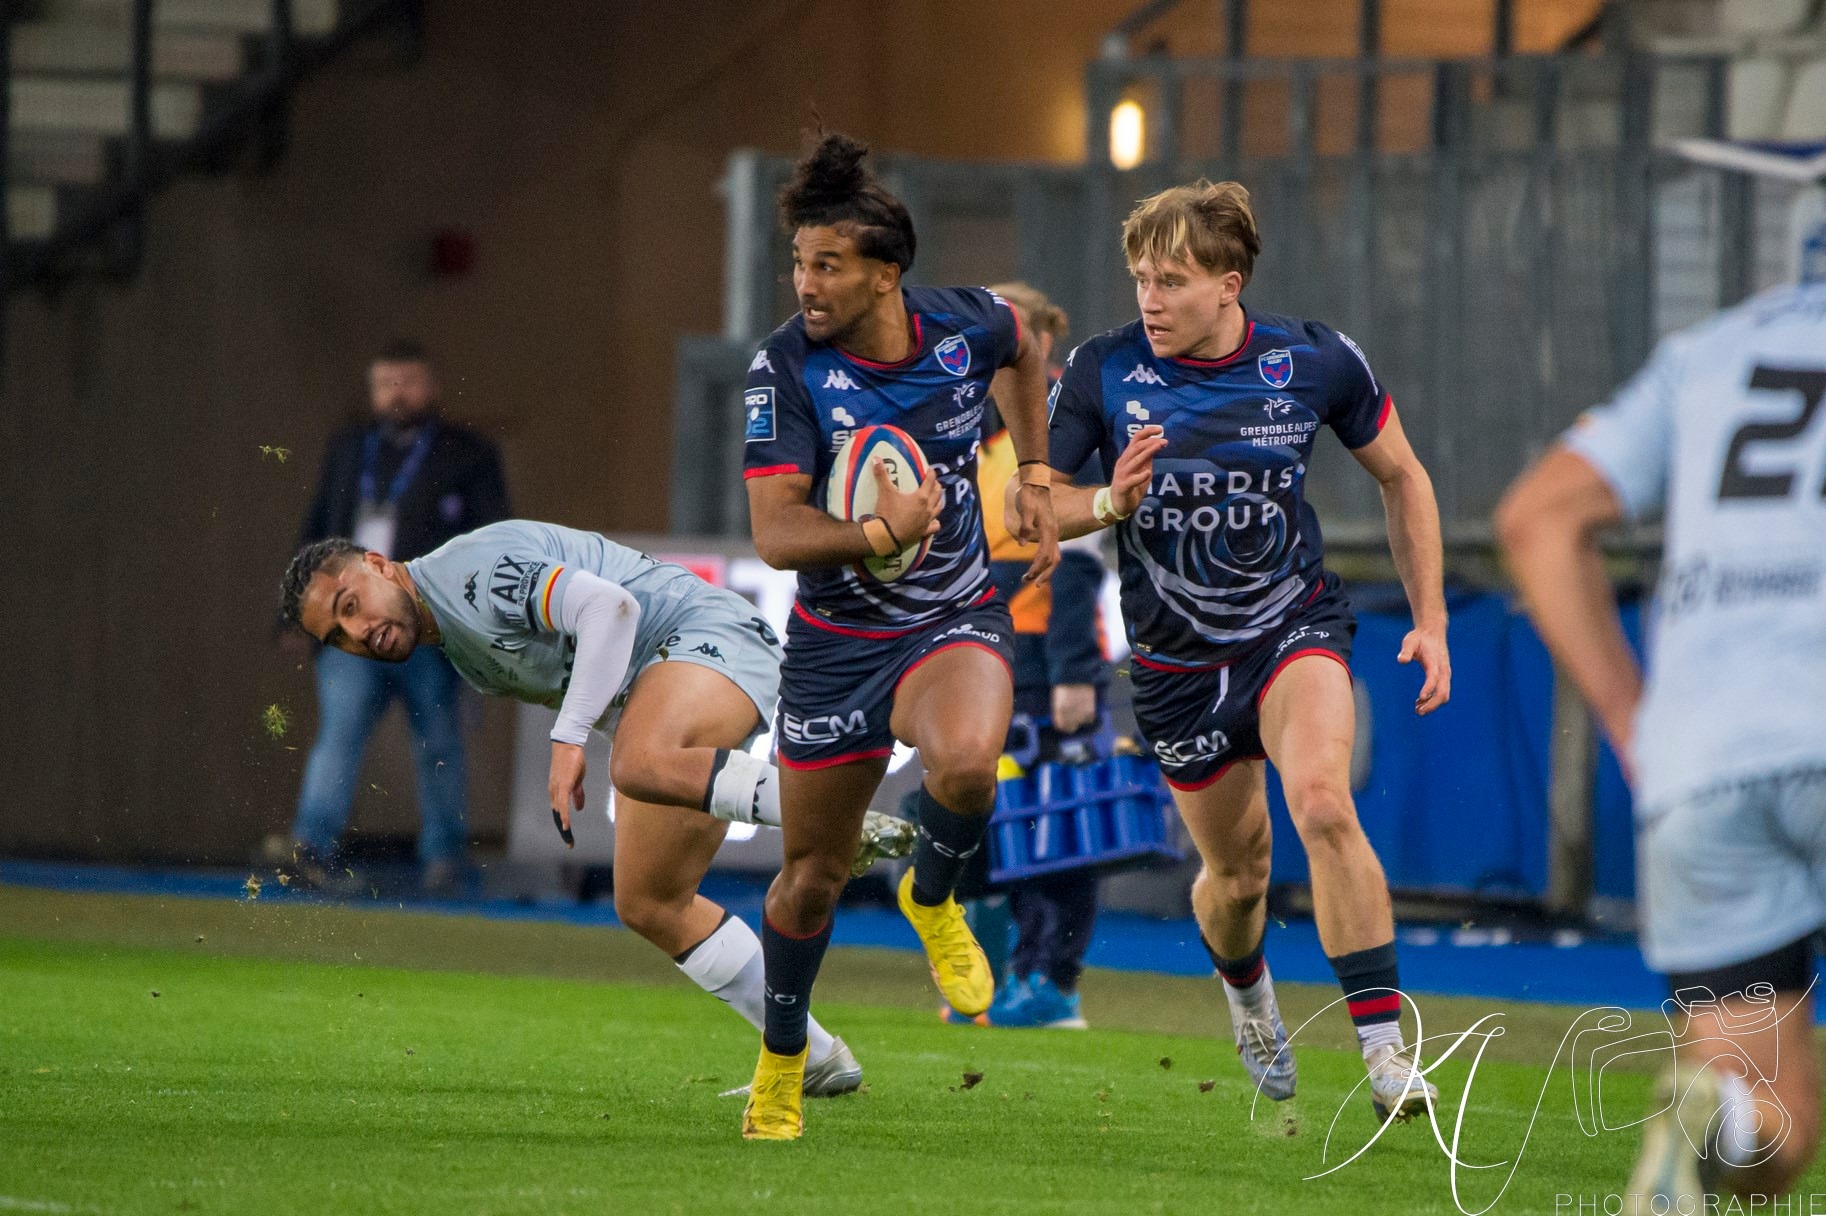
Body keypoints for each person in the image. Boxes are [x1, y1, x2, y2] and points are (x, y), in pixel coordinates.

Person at [1041, 181, 1450, 1122]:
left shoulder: (1313, 359)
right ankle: (1249, 997)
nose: (1149, 297)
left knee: (1321, 801)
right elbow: (1039, 508)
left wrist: (1428, 619)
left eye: (1171, 280)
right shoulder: (1102, 370)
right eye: (1141, 277)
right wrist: (1108, 502)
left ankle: (1386, 1053)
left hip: (1289, 629)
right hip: (1177, 666)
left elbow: (1404, 476)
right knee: (1238, 878)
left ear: (1228, 286)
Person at [279, 520, 915, 1098]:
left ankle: (827, 818)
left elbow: (612, 608)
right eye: (338, 635)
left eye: (350, 605)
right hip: (665, 679)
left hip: (705, 636)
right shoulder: (445, 627)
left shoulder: (470, 577)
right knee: (649, 903)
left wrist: (569, 735)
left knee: (637, 761)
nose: (358, 631)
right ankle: (815, 1054)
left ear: (378, 564)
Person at [737, 132, 1058, 1140]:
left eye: (825, 264)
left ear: (886, 273)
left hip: (951, 613)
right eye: (796, 262)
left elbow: (1026, 343)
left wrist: (1037, 474)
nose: (804, 283)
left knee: (966, 765)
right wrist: (879, 530)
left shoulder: (964, 327)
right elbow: (775, 532)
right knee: (810, 876)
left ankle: (931, 892)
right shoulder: (784, 367)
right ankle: (782, 1062)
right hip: (836, 642)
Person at [1496, 279, 1826, 1205]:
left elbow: (1538, 518)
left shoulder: (1714, 350)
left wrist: (1632, 721)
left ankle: (1711, 1120)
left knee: (1774, 1123)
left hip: (1708, 762)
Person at [283, 340, 510, 893]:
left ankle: (444, 859)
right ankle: (311, 851)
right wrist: (293, 616)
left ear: (431, 386)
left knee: (439, 741)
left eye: (407, 382)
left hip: (426, 625)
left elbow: (495, 536)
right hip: (348, 634)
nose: (395, 395)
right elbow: (318, 523)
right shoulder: (349, 446)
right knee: (338, 735)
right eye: (384, 384)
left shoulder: (467, 452)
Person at [955, 281, 1108, 1031]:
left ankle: (1054, 983)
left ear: (1037, 340)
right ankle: (1012, 974)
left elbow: (1080, 558)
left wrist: (1077, 673)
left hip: (1052, 662)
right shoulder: (988, 437)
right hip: (1003, 659)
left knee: (1060, 827)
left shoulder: (1058, 424)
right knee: (1006, 823)